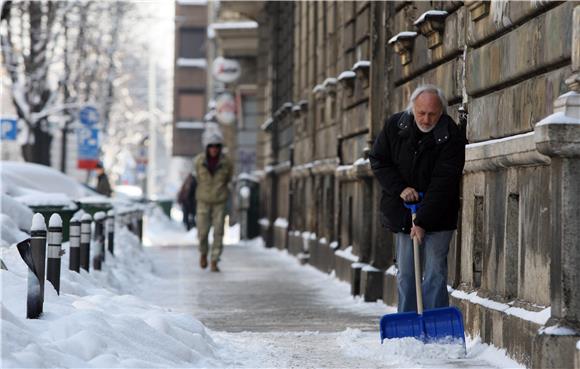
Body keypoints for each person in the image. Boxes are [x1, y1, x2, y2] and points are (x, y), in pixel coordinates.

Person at [369, 85, 466, 313]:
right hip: (403, 213)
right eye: (421, 112)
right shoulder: (396, 126)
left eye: (432, 113)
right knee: (407, 274)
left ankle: (434, 327)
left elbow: (444, 183)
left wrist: (422, 221)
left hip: (440, 214)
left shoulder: (450, 135)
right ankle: (408, 326)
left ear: (441, 111)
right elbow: (379, 160)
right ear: (413, 107)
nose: (426, 119)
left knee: (434, 273)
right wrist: (401, 188)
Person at [194, 129, 233, 272]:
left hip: (220, 201)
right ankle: (203, 253)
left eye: (217, 146)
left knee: (218, 231)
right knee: (202, 231)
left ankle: (215, 260)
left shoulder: (226, 163)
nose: (214, 149)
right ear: (207, 147)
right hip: (203, 200)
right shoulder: (199, 161)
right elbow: (197, 178)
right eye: (211, 146)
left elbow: (229, 178)